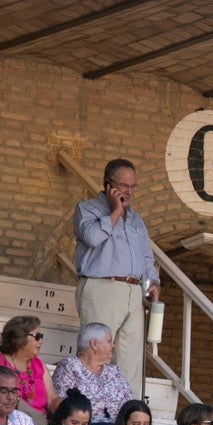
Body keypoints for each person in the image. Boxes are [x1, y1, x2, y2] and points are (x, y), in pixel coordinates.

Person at [73, 157, 159, 393]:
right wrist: (115, 211)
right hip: (102, 288)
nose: (129, 192)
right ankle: (87, 416)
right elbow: (92, 237)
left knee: (130, 362)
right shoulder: (87, 209)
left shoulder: (136, 219)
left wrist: (153, 282)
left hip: (134, 291)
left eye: (133, 186)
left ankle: (126, 420)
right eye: (124, 186)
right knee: (96, 354)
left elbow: (146, 257)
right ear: (108, 185)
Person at [52, 322, 134, 425]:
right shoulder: (70, 367)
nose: (113, 346)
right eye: (109, 341)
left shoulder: (115, 372)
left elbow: (130, 405)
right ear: (94, 344)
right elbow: (60, 406)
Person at [0, 312, 60, 421]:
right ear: (20, 337)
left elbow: (52, 400)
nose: (41, 341)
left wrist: (70, 411)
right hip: (8, 422)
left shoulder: (39, 366)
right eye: (37, 337)